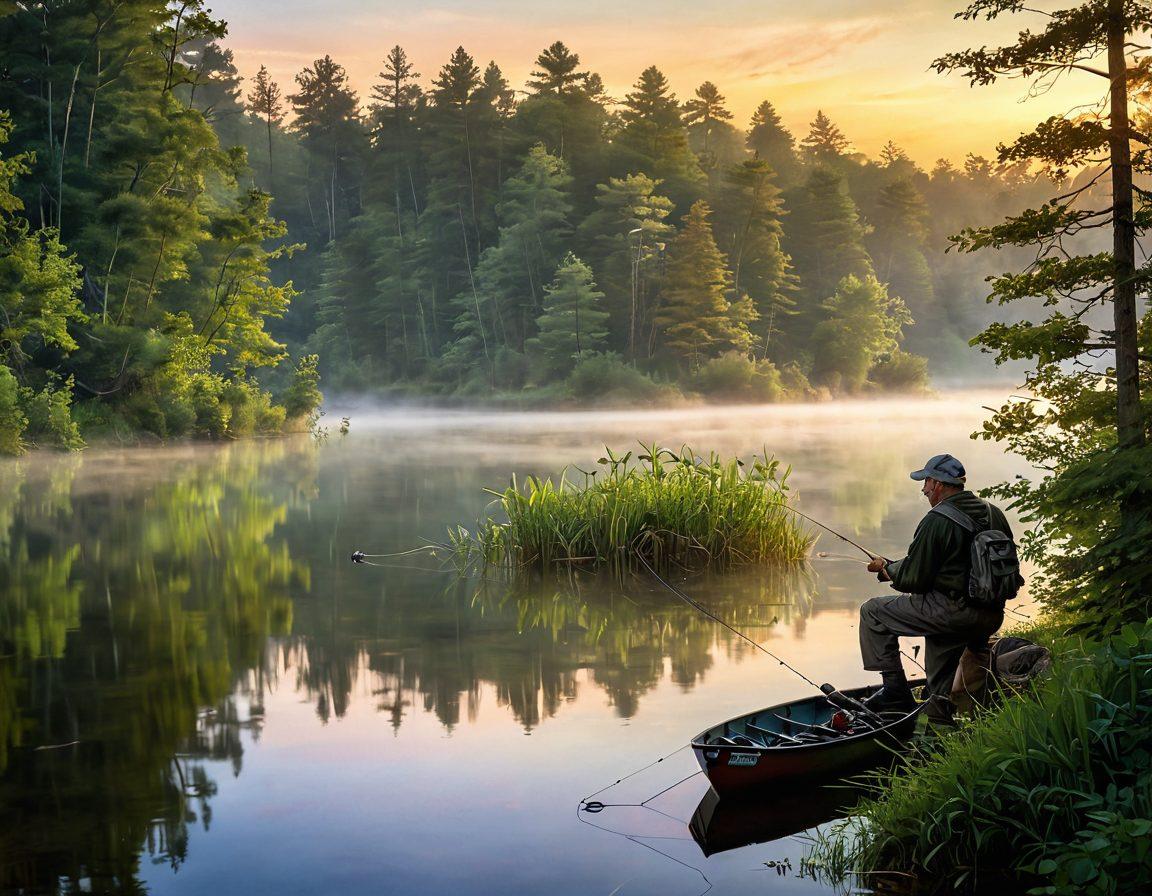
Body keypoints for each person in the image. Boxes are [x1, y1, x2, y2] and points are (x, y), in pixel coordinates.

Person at [858, 454, 1010, 719]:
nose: (924, 489)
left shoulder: (937, 519)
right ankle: (970, 715)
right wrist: (894, 567)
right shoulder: (992, 512)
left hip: (952, 613)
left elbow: (915, 579)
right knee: (946, 657)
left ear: (938, 484)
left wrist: (887, 569)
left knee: (872, 612)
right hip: (991, 614)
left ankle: (895, 694)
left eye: (926, 482)